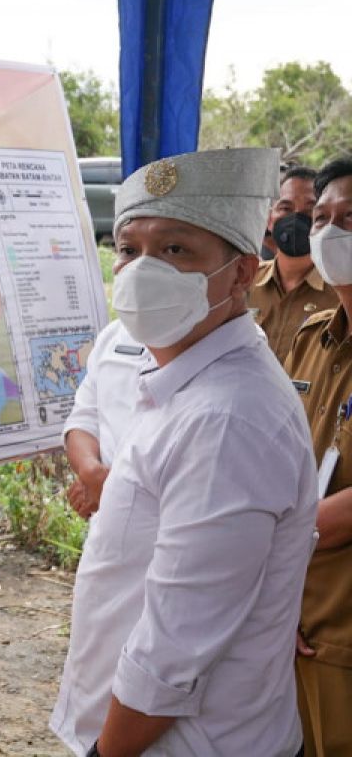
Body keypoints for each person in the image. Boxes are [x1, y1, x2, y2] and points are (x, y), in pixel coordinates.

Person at [50, 148, 318, 756]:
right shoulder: (182, 383)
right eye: (129, 249)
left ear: (242, 272)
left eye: (175, 250)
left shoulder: (226, 419)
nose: (143, 270)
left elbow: (172, 652)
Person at [283, 156, 352, 756]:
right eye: (323, 219)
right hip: (293, 621)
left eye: (350, 218)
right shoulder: (313, 338)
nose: (331, 233)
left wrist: (268, 554)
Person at [250, 166, 337, 363]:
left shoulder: (341, 292)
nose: (296, 217)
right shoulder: (242, 282)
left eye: (309, 210)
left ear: (323, 220)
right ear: (269, 219)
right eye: (286, 208)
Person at [62, 319, 142, 519]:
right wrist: (90, 472)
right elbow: (84, 419)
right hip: (107, 523)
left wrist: (112, 487)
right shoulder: (113, 336)